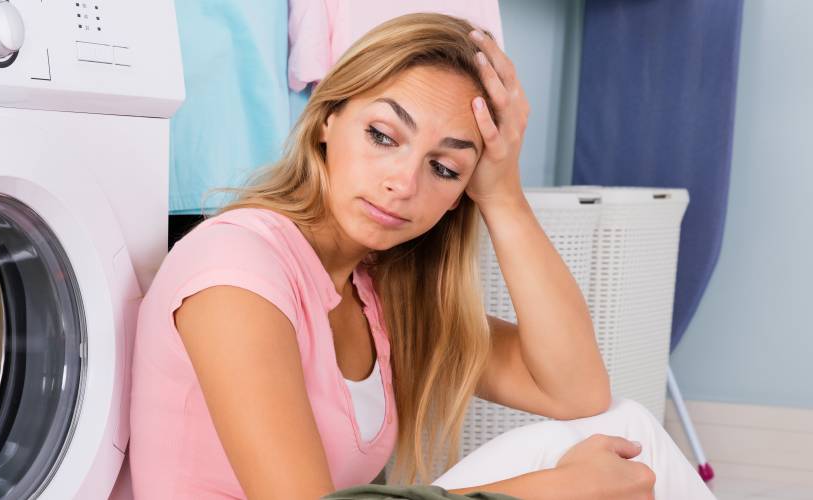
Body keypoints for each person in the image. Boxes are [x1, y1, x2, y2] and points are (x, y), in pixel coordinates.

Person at [129, 12, 716, 500]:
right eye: (383, 136)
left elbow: (576, 392)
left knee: (621, 429)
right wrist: (548, 491)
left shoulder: (380, 295)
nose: (403, 183)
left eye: (444, 167)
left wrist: (503, 195)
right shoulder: (237, 268)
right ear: (329, 119)